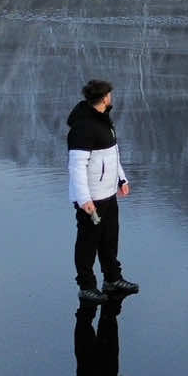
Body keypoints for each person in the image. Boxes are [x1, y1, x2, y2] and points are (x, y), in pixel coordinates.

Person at [67, 78, 139, 302]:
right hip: (92, 199)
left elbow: (112, 154)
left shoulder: (103, 121)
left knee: (109, 239)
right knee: (88, 243)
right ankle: (87, 286)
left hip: (108, 194)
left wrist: (122, 179)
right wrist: (83, 198)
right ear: (105, 97)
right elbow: (77, 166)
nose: (112, 97)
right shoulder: (84, 127)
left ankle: (112, 279)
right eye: (110, 94)